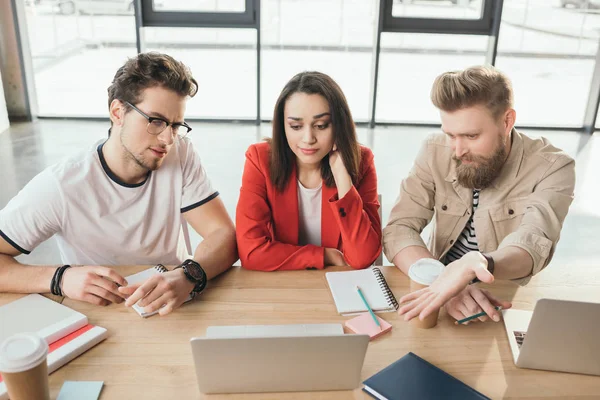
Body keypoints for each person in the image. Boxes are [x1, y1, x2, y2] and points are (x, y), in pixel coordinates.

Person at [0, 52, 237, 316]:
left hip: (173, 306)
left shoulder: (179, 153)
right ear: (117, 112)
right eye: (156, 121)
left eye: (176, 125)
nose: (167, 138)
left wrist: (189, 275)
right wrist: (60, 278)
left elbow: (224, 235)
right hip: (101, 314)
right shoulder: (61, 185)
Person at [383, 65, 575, 324]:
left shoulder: (554, 167)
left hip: (501, 295)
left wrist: (476, 264)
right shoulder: (434, 150)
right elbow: (399, 229)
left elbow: (533, 245)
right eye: (450, 135)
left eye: (471, 136)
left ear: (507, 121)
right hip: (436, 285)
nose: (458, 150)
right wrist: (445, 283)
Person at [236, 71, 381, 271]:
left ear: (339, 125)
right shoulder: (260, 160)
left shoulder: (361, 161)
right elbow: (251, 253)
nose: (308, 138)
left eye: (321, 125)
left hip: (339, 286)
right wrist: (323, 255)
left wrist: (341, 175)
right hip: (283, 286)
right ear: (282, 126)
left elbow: (363, 257)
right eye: (295, 126)